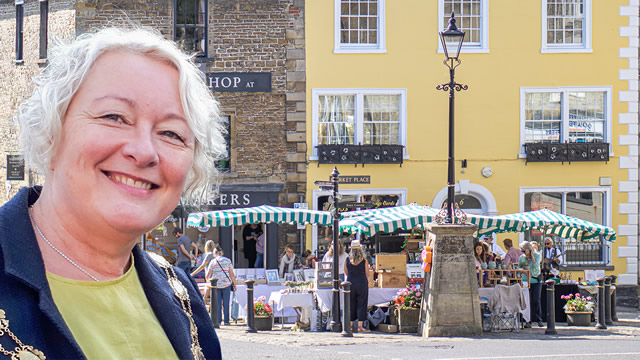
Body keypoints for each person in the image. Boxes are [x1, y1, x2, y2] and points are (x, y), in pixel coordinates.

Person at [0, 28, 227, 358]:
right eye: (114, 117)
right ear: (53, 132)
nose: (144, 151)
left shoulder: (181, 296)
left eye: (172, 134)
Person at [206, 246, 237, 326]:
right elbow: (231, 274)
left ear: (215, 253)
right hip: (226, 283)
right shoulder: (227, 261)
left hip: (216, 285)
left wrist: (208, 282)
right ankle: (226, 320)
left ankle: (218, 320)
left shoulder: (213, 262)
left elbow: (207, 275)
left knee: (218, 303)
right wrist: (234, 284)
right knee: (226, 303)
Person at [344, 240, 370, 333]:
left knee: (351, 304)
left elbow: (346, 272)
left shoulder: (347, 259)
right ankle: (360, 326)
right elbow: (368, 273)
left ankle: (350, 326)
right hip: (362, 283)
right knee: (362, 303)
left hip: (350, 283)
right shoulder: (364, 260)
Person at [518, 241, 543, 328]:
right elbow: (519, 268)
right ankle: (528, 321)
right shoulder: (521, 257)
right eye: (522, 251)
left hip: (536, 281)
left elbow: (536, 266)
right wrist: (523, 270)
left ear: (529, 249)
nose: (523, 253)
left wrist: (532, 257)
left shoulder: (537, 256)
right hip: (525, 280)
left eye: (524, 251)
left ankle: (539, 319)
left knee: (536, 300)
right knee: (527, 302)